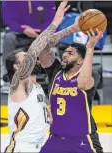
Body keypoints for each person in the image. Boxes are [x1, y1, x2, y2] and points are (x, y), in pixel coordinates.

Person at [3, 2, 70, 152]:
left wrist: (72, 29)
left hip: (40, 146)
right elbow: (34, 50)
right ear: (16, 66)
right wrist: (55, 22)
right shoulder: (17, 84)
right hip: (23, 149)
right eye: (25, 57)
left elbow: (46, 44)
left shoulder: (35, 86)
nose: (32, 58)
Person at [38, 22, 103, 153]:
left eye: (71, 53)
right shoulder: (56, 71)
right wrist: (69, 30)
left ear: (80, 61)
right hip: (56, 137)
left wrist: (90, 47)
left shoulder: (91, 74)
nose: (65, 55)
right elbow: (42, 46)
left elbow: (83, 84)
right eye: (66, 51)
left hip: (83, 138)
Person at [1, 1, 56, 93]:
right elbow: (9, 20)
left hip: (41, 33)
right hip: (19, 33)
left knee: (53, 41)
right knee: (8, 39)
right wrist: (24, 29)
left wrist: (40, 32)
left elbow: (52, 20)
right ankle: (8, 80)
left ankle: (53, 80)